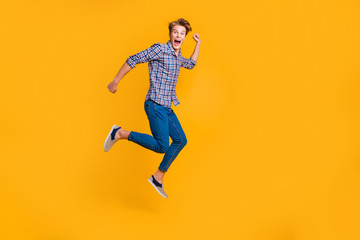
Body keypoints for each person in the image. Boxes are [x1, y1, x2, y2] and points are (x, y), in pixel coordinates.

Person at [104, 18, 201, 198]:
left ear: (184, 37)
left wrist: (198, 44)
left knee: (180, 140)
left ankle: (158, 177)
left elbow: (191, 64)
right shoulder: (160, 49)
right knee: (162, 146)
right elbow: (133, 59)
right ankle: (120, 133)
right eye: (175, 32)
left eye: (182, 33)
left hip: (166, 107)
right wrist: (115, 81)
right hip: (155, 105)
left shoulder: (178, 57)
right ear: (170, 34)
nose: (178, 36)